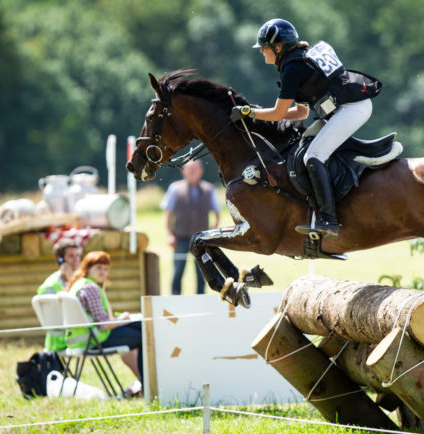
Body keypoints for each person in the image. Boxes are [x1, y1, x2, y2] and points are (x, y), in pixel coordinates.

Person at [231, 18, 383, 238]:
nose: (261, 51)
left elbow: (278, 113)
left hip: (352, 108)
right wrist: (255, 112)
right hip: (345, 107)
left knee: (314, 156)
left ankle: (329, 219)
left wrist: (250, 112)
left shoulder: (293, 68)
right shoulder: (297, 61)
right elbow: (300, 113)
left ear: (278, 47)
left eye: (264, 47)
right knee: (305, 147)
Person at [64, 251, 143, 386]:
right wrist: (122, 319)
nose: (103, 272)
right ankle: (148, 385)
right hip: (94, 339)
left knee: (140, 325)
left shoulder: (79, 283)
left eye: (106, 269)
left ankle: (143, 383)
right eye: (99, 267)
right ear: (87, 268)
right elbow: (103, 325)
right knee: (144, 335)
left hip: (81, 339)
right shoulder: (91, 288)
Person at [160, 159, 220, 295]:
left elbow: (217, 213)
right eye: (189, 169)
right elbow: (168, 214)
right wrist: (169, 234)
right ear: (183, 172)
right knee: (177, 271)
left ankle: (200, 299)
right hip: (181, 238)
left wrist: (211, 235)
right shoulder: (175, 189)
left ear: (200, 171)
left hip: (201, 240)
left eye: (195, 169)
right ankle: (175, 298)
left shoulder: (209, 189)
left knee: (203, 273)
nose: (192, 172)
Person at [36, 238, 80, 351]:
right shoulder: (50, 286)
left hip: (77, 334)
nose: (76, 260)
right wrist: (70, 282)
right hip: (63, 340)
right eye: (71, 256)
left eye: (77, 255)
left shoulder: (80, 279)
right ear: (61, 260)